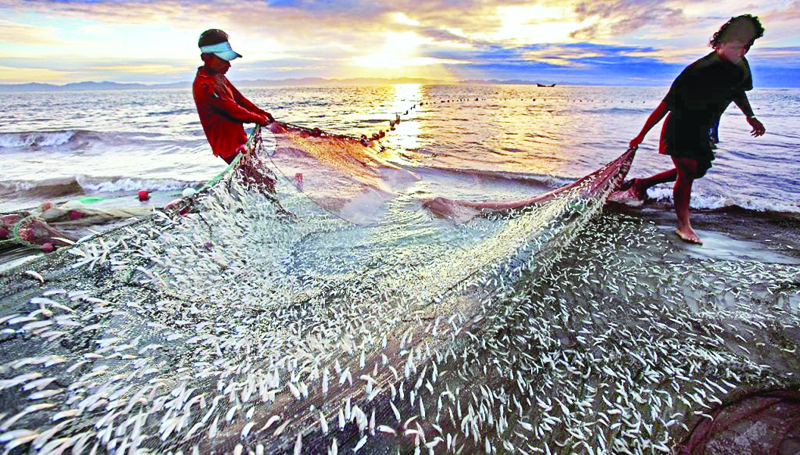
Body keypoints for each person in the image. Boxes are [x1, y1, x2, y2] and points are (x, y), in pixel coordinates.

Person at [625, 15, 766, 245]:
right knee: (688, 170)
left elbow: (737, 92)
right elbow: (665, 105)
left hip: (706, 128)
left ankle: (642, 184)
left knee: (696, 170)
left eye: (748, 47)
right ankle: (683, 226)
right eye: (738, 46)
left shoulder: (741, 67)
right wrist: (641, 134)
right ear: (721, 42)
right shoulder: (696, 70)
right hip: (680, 126)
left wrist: (750, 116)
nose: (742, 52)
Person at [193, 29, 274, 165]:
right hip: (229, 148)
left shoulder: (219, 77)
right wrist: (260, 119)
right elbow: (234, 111)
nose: (229, 65)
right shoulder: (206, 86)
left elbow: (240, 100)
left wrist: (262, 113)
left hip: (239, 141)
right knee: (257, 179)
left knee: (262, 179)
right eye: (224, 60)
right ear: (206, 58)